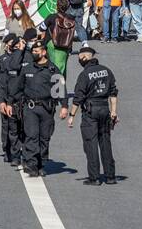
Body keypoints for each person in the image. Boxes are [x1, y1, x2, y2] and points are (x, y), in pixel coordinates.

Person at [67, 46, 118, 185]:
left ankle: (94, 177)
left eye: (79, 56)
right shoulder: (106, 71)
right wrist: (113, 111)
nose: (79, 59)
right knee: (105, 142)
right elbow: (113, 92)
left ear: (85, 57)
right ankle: (110, 176)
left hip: (90, 111)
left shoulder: (84, 75)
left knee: (91, 144)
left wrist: (72, 115)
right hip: (105, 109)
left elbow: (78, 97)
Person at [16, 39, 63, 177]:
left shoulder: (52, 69)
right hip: (30, 108)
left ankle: (41, 164)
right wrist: (8, 102)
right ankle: (31, 165)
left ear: (44, 52)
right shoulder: (27, 68)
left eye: (36, 51)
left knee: (44, 137)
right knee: (31, 136)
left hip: (47, 109)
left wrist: (65, 106)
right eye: (33, 51)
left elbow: (60, 89)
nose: (34, 53)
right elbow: (17, 88)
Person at [0, 33, 24, 164]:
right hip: (3, 96)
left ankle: (17, 152)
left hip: (18, 98)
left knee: (18, 126)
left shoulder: (21, 57)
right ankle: (7, 150)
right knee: (6, 126)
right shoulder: (2, 60)